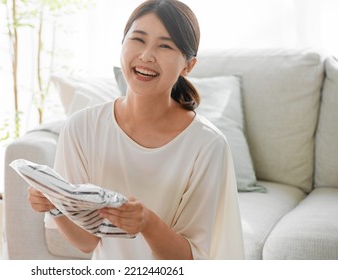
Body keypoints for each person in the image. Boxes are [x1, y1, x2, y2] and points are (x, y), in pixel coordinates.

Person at [28, 0, 245, 260]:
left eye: (164, 45)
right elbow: (87, 242)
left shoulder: (207, 145)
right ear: (122, 44)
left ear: (189, 65)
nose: (146, 56)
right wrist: (55, 208)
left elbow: (191, 260)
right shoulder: (81, 127)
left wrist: (147, 223)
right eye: (138, 40)